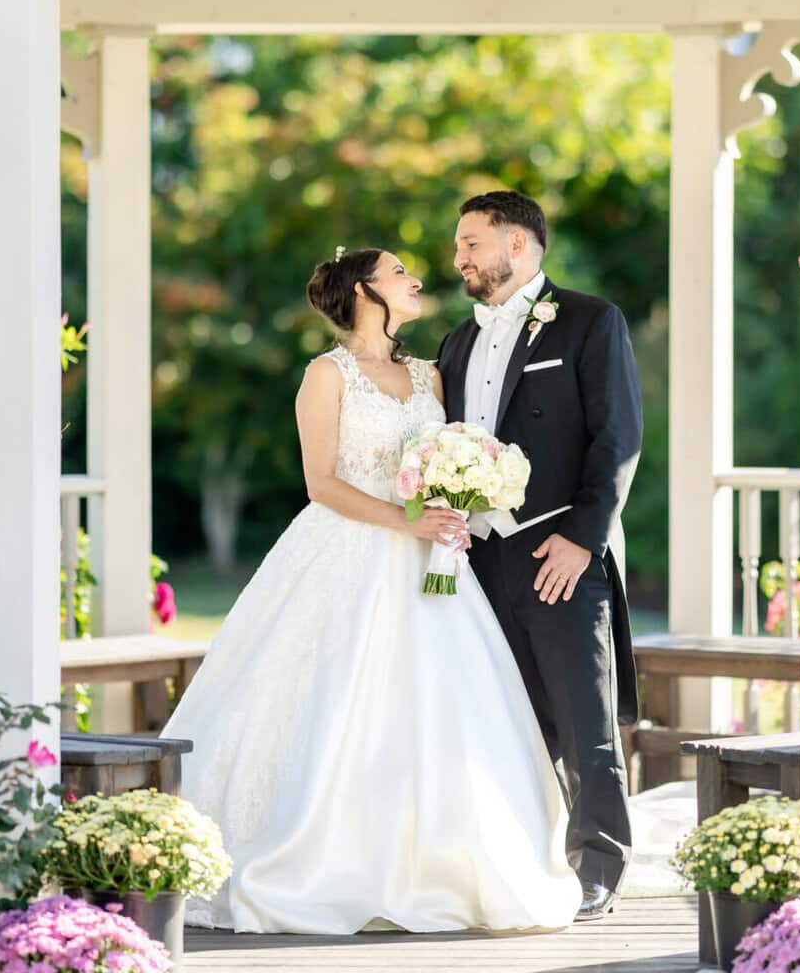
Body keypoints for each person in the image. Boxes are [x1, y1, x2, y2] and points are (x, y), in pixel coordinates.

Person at [163, 246, 580, 934]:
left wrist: (459, 501)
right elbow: (321, 484)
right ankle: (316, 861)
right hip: (347, 553)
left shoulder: (428, 375)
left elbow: (451, 454)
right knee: (334, 700)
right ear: (363, 291)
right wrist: (407, 520)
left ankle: (449, 866)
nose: (415, 281)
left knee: (442, 703)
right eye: (398, 274)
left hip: (432, 567)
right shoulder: (326, 376)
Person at [436, 191, 643, 921]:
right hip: (479, 564)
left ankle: (600, 869)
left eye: (470, 243)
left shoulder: (591, 321)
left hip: (560, 553)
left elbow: (619, 439)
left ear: (516, 246)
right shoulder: (458, 341)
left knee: (586, 724)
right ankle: (523, 860)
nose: (458, 257)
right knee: (507, 721)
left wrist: (584, 540)